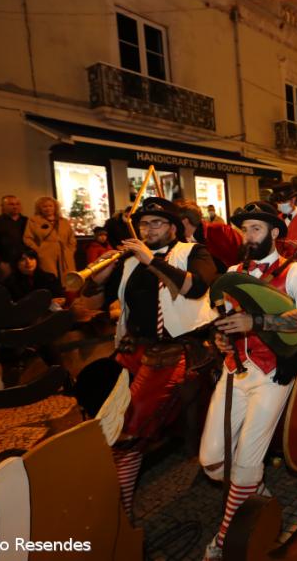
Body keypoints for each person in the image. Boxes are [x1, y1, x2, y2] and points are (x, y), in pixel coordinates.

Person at [199, 202, 297, 560]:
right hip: (235, 369)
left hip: (273, 373)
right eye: (245, 229)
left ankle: (224, 538)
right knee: (211, 460)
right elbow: (220, 319)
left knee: (248, 458)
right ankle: (254, 488)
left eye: (256, 229)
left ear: (275, 233)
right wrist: (219, 338)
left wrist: (259, 323)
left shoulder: (296, 272)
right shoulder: (234, 271)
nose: (248, 236)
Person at [84, 196, 219, 518]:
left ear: (173, 227)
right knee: (104, 414)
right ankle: (106, 489)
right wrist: (99, 278)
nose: (148, 229)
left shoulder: (192, 252)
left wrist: (150, 260)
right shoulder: (130, 261)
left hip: (175, 349)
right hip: (133, 349)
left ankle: (121, 513)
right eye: (144, 224)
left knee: (130, 428)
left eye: (156, 223)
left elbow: (195, 288)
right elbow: (92, 300)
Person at [176, 199, 244, 273]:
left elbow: (242, 253)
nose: (175, 227)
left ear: (185, 221)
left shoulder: (219, 230)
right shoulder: (188, 240)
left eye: (176, 222)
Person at [23, 196, 77, 279]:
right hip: (46, 255)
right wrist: (38, 250)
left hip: (65, 254)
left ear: (55, 207)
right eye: (44, 206)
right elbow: (27, 238)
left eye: (50, 206)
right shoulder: (34, 221)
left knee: (68, 279)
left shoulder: (63, 221)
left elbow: (71, 238)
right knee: (50, 277)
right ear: (39, 208)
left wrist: (70, 250)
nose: (48, 208)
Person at [0, 195, 27, 280]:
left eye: (17, 204)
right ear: (3, 206)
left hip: (25, 262)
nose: (15, 206)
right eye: (11, 204)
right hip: (5, 263)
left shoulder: (27, 221)